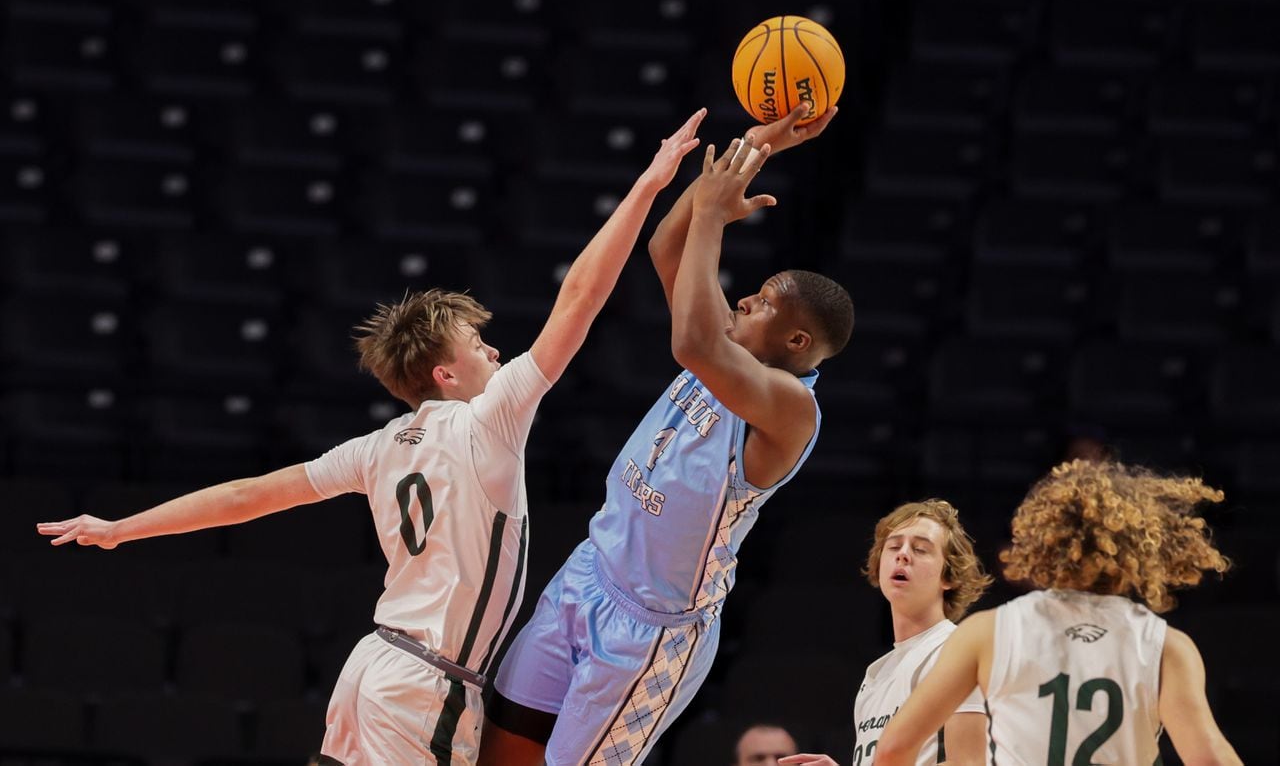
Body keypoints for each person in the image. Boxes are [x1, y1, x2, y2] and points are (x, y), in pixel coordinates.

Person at [35, 110, 709, 765]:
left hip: (372, 667)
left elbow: (246, 495)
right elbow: (580, 298)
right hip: (428, 686)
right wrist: (649, 183)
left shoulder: (377, 446)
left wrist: (124, 527)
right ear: (445, 372)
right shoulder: (489, 418)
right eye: (477, 341)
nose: (495, 350)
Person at [478, 102, 854, 766]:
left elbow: (691, 342)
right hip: (590, 573)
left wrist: (713, 214)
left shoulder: (790, 407)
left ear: (798, 340)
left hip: (650, 632)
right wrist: (753, 148)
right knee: (500, 746)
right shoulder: (728, 340)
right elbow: (667, 247)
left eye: (762, 300)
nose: (744, 300)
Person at [874, 460, 1243, 766]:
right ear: (1138, 551)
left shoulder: (987, 632)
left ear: (1043, 541)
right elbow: (1209, 759)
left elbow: (893, 749)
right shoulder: (1167, 646)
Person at [780, 500, 991, 766]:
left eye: (921, 549)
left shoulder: (958, 650)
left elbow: (969, 763)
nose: (902, 554)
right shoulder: (875, 675)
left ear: (949, 577)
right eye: (893, 547)